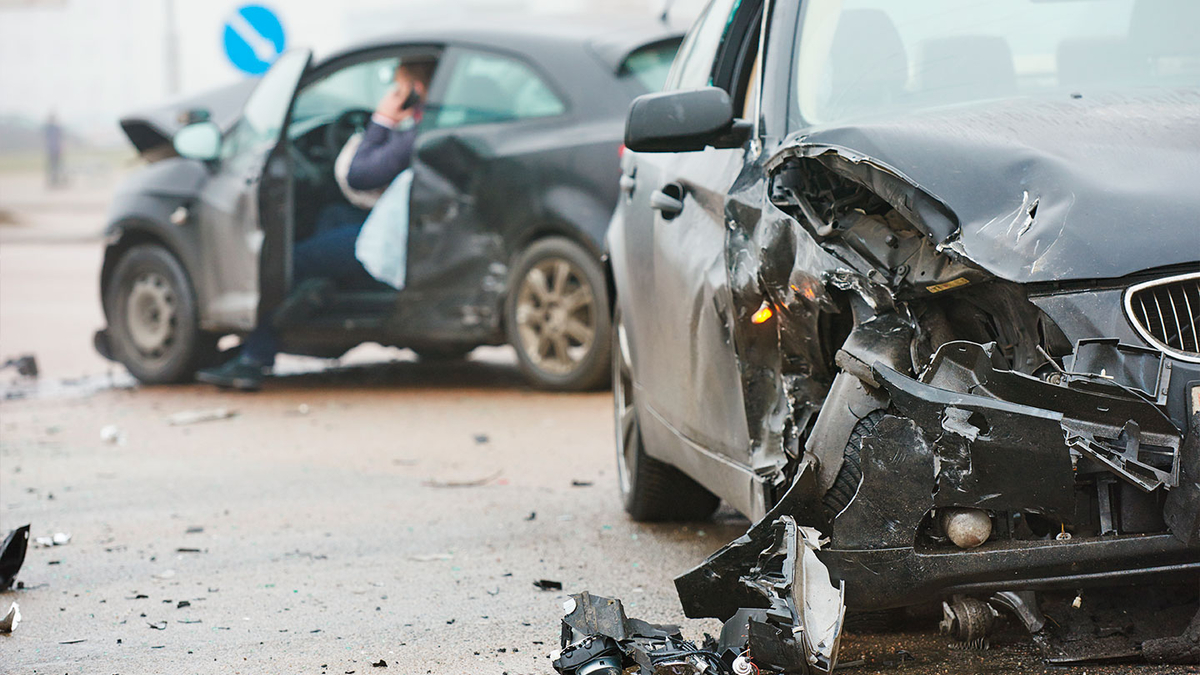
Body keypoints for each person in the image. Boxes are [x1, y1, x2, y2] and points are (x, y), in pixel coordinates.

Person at [196, 59, 435, 391]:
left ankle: (254, 357)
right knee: (332, 217)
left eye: (398, 88)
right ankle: (320, 295)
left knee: (290, 261)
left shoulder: (418, 134)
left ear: (415, 91)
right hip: (411, 226)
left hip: (401, 239)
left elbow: (360, 175)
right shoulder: (433, 128)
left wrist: (381, 120)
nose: (393, 95)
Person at [44, 112, 63, 188]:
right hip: (52, 150)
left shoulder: (54, 128)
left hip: (55, 149)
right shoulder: (49, 128)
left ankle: (55, 180)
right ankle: (52, 180)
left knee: (56, 166)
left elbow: (60, 138)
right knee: (52, 166)